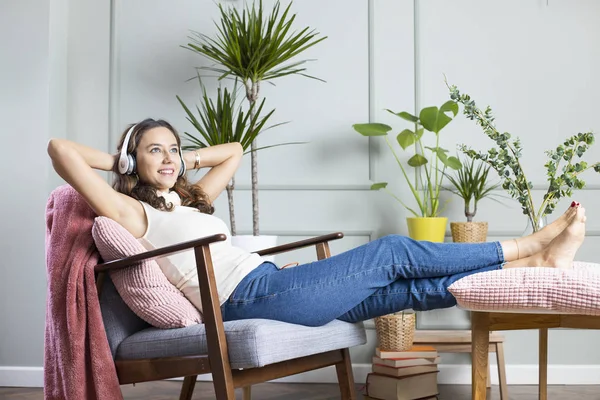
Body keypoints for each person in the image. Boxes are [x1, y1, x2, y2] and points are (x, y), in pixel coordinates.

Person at [48, 118, 587, 327]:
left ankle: (537, 267)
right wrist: (122, 157)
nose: (168, 158)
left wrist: (179, 161)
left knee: (409, 292)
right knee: (394, 252)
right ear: (130, 161)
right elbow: (62, 149)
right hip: (246, 298)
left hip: (267, 284)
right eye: (153, 152)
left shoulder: (187, 203)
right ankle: (527, 246)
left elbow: (234, 151)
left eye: (174, 149)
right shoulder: (131, 212)